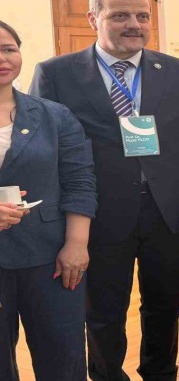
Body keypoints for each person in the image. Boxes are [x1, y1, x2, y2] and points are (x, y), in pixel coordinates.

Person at [30, 0, 179, 381]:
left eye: (142, 16)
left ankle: (160, 373)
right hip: (97, 214)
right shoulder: (57, 73)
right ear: (93, 19)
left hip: (168, 213)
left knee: (166, 306)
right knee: (102, 310)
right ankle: (106, 375)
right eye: (119, 15)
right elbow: (44, 150)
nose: (134, 24)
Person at [0, 20, 97, 380]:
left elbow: (79, 181)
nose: (2, 58)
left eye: (8, 49)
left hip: (49, 257)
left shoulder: (54, 115)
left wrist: (77, 244)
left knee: (63, 359)